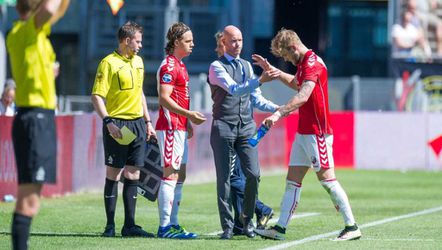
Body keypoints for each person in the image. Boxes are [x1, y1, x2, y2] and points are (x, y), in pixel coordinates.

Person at [252, 28, 362, 241]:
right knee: (293, 180)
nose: (287, 60)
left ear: (293, 47)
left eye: (285, 56)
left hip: (317, 133)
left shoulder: (312, 63)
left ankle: (352, 226)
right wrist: (275, 72)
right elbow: (296, 83)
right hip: (304, 132)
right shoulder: (304, 63)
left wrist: (278, 113)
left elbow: (303, 95)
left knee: (327, 180)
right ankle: (280, 229)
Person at [6, 0, 70, 249]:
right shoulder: (27, 30)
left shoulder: (31, 34)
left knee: (30, 199)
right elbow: (51, 9)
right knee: (28, 201)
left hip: (35, 118)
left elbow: (58, 10)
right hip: (35, 118)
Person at [208, 25, 279, 240]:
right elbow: (235, 89)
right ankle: (228, 226)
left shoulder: (247, 66)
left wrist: (279, 108)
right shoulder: (216, 67)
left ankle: (246, 221)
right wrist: (260, 79)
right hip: (224, 126)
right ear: (224, 43)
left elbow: (256, 98)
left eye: (239, 40)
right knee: (225, 180)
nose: (237, 44)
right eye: (233, 41)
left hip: (246, 127)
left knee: (254, 174)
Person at [91, 21, 156, 238]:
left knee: (133, 173)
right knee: (113, 173)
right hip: (116, 123)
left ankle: (130, 226)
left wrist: (148, 122)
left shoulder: (138, 61)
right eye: (137, 41)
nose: (140, 45)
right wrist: (108, 121)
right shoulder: (108, 63)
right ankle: (109, 226)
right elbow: (97, 96)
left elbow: (140, 94)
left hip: (138, 124)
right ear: (126, 40)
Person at [155, 22, 206, 239]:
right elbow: (164, 98)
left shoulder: (180, 65)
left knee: (180, 175)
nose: (193, 44)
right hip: (169, 128)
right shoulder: (168, 66)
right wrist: (188, 115)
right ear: (176, 42)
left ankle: (173, 224)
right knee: (170, 174)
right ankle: (165, 227)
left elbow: (178, 98)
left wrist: (187, 123)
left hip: (179, 127)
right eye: (188, 40)